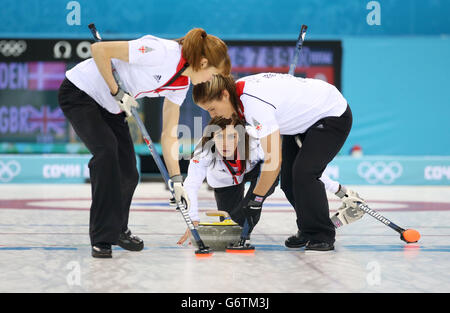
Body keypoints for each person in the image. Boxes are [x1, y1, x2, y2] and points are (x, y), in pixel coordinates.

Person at [57, 28, 231, 258]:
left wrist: (177, 181)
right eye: (212, 74)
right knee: (106, 153)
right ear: (203, 62)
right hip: (81, 93)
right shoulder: (162, 52)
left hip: (112, 106)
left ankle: (118, 229)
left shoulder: (181, 85)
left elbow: (169, 134)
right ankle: (101, 237)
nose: (210, 80)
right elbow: (99, 50)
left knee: (129, 173)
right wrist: (117, 90)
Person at [192, 73, 364, 252]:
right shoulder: (239, 98)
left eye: (212, 108)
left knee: (305, 174)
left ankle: (321, 235)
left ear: (224, 95)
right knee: (288, 181)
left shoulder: (253, 104)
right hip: (302, 121)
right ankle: (308, 229)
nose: (212, 115)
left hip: (331, 114)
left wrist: (255, 200)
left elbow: (273, 161)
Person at [177, 113, 364, 246]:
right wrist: (192, 219)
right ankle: (328, 223)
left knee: (284, 181)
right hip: (226, 181)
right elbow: (191, 184)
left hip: (259, 170)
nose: (225, 143)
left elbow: (307, 171)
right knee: (234, 231)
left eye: (232, 136)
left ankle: (314, 226)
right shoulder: (204, 150)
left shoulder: (256, 141)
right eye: (220, 137)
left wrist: (340, 190)